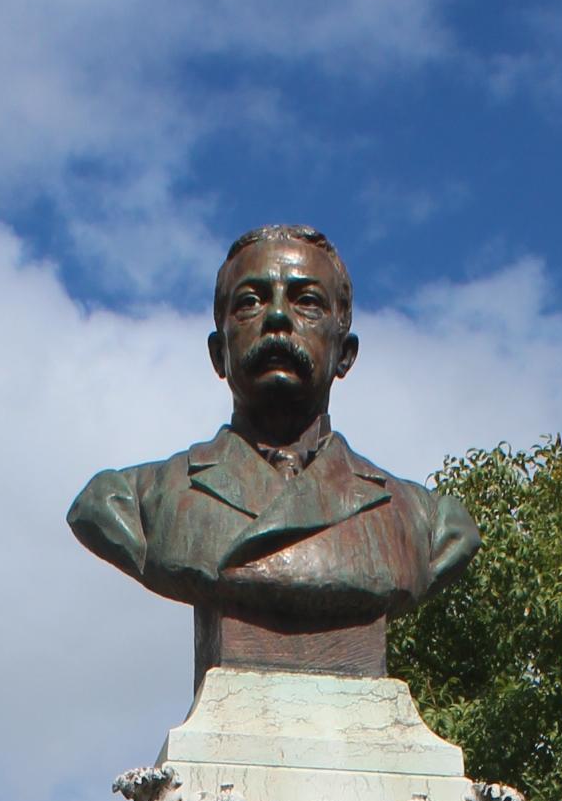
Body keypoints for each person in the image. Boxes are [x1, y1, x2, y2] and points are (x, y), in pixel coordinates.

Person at [67, 227, 478, 658]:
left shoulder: (428, 522)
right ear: (217, 353)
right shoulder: (130, 500)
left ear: (345, 354)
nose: (277, 317)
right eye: (250, 302)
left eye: (307, 302)